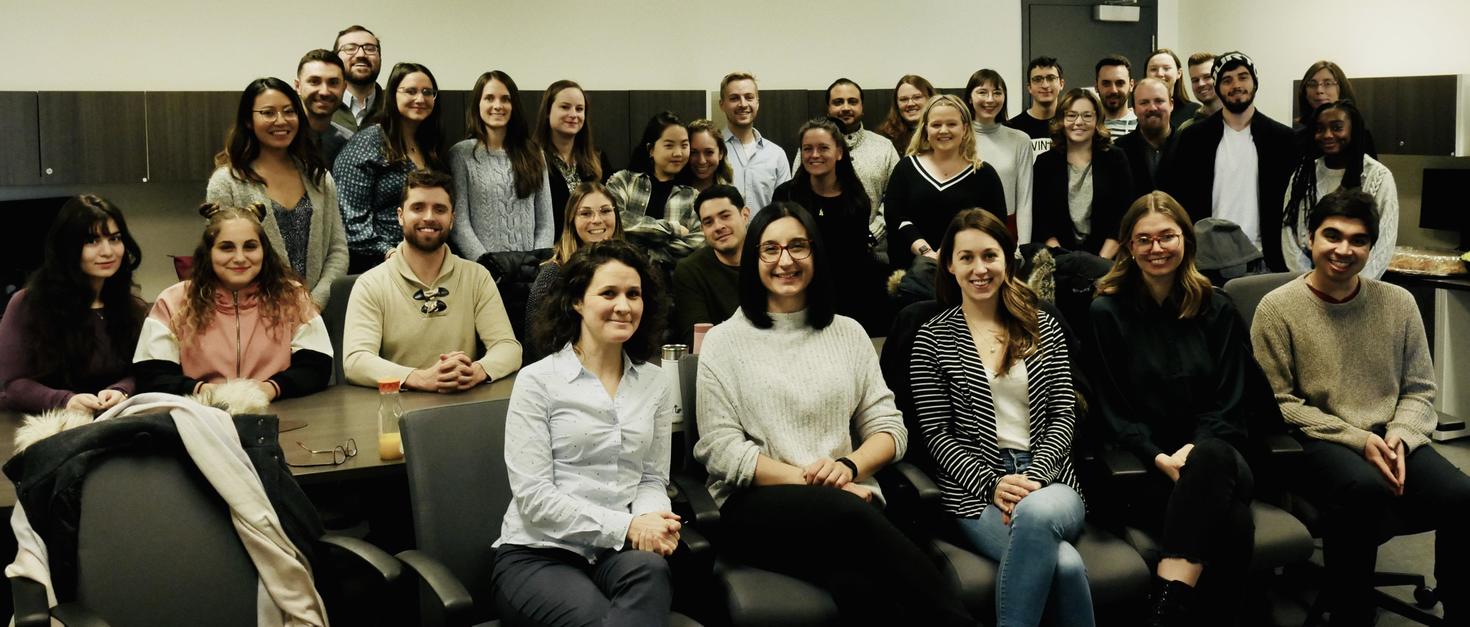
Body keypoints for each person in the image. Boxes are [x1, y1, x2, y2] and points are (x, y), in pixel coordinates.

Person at [693, 202, 975, 626]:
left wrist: (848, 466)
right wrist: (822, 487)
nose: (784, 260)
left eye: (797, 247)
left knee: (860, 584)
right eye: (770, 249)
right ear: (754, 260)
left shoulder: (848, 332)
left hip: (848, 503)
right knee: (852, 523)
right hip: (756, 508)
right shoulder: (723, 341)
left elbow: (889, 429)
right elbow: (722, 451)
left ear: (815, 255)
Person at [1252, 189, 1470, 627]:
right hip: (1316, 437)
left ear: (1371, 247)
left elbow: (1420, 388)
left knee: (1462, 496)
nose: (1344, 249)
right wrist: (1359, 439)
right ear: (1309, 239)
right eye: (1332, 235)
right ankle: (1351, 612)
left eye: (1358, 240)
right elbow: (1279, 403)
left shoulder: (1398, 302)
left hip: (1392, 435)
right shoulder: (1276, 309)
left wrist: (1401, 436)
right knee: (1362, 491)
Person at [1088, 192, 1272, 626]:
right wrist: (1156, 454)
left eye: (1167, 236)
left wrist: (1194, 449)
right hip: (1144, 465)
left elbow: (1231, 401)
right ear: (1129, 247)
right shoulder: (1106, 313)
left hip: (1220, 453)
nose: (1156, 248)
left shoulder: (1218, 307)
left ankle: (1165, 610)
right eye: (1144, 239)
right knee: (1232, 525)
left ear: (1186, 241)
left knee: (1210, 459)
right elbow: (1110, 408)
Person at [911, 208, 1091, 627]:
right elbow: (937, 434)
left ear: (1007, 261)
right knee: (1063, 566)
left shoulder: (1042, 325)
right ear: (949, 264)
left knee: (1036, 513)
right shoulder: (931, 338)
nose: (980, 268)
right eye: (967, 257)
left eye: (990, 256)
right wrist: (994, 484)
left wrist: (1034, 478)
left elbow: (1065, 413)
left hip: (1052, 481)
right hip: (974, 493)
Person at [494, 239, 680, 627]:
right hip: (540, 552)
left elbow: (650, 478)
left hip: (616, 553)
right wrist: (629, 526)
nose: (624, 306)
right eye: (608, 293)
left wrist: (652, 523)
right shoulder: (538, 381)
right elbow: (534, 499)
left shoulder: (655, 383)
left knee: (652, 571)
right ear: (578, 301)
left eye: (634, 294)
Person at [341, 170, 521, 390]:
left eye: (440, 209)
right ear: (400, 216)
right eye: (418, 208)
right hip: (399, 410)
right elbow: (356, 361)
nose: (429, 217)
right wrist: (420, 378)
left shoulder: (477, 277)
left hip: (463, 403)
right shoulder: (371, 283)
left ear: (452, 219)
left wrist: (475, 371)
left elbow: (509, 348)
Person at [135, 204, 332, 400]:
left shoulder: (292, 296)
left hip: (282, 413)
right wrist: (210, 393)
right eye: (226, 247)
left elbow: (317, 366)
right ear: (209, 252)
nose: (240, 258)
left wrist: (268, 389)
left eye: (250, 246)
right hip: (201, 416)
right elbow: (152, 375)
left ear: (264, 251)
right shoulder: (172, 302)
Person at [207, 77, 348, 310]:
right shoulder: (226, 183)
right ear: (249, 120)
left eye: (289, 111)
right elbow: (225, 256)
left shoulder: (319, 178)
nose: (281, 121)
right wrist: (280, 306)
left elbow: (337, 250)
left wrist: (315, 304)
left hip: (316, 314)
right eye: (268, 113)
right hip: (253, 312)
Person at [0, 195, 146, 414]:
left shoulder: (132, 306)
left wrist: (122, 390)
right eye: (92, 241)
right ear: (66, 247)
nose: (107, 251)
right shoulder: (28, 303)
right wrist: (65, 401)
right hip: (42, 424)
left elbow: (144, 370)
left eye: (115, 239)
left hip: (113, 420)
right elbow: (12, 384)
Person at [1165, 52, 1297, 271]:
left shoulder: (1283, 139)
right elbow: (1178, 200)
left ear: (1254, 82)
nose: (1236, 85)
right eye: (1227, 80)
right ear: (1217, 88)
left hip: (1265, 259)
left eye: (1243, 77)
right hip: (1206, 259)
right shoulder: (1193, 139)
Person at [773, 117, 889, 335]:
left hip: (848, 299)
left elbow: (855, 262)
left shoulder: (856, 200)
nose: (814, 155)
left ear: (839, 152)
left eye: (823, 148)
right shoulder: (786, 195)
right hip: (797, 296)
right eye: (807, 149)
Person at [334, 62, 446, 274]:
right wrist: (388, 252)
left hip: (428, 261)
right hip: (379, 266)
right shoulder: (368, 142)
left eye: (427, 92)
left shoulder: (431, 146)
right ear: (393, 95)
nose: (420, 99)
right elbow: (350, 218)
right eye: (410, 91)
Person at [884, 94, 1007, 272]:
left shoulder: (984, 174)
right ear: (926, 129)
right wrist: (926, 252)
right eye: (936, 125)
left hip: (968, 272)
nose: (943, 130)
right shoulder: (906, 168)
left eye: (951, 124)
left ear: (965, 128)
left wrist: (952, 251)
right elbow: (895, 217)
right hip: (913, 272)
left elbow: (995, 225)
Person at [1282, 100, 1397, 279]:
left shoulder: (1378, 177)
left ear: (1353, 130)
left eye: (1337, 127)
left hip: (1358, 285)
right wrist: (1308, 283)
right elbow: (1288, 234)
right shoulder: (1303, 175)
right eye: (1320, 129)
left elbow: (1384, 242)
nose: (1327, 135)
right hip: (1307, 284)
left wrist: (1353, 288)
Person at [449, 70, 554, 261]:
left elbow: (545, 222)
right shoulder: (461, 154)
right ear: (477, 104)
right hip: (483, 270)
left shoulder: (534, 153)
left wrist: (537, 262)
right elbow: (460, 223)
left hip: (529, 271)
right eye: (489, 98)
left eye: (505, 99)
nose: (498, 105)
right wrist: (487, 263)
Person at [525, 182, 625, 362]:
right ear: (572, 220)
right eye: (586, 213)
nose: (597, 220)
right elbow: (536, 345)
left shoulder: (630, 270)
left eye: (605, 211)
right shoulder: (552, 275)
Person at [1033, 89, 1131, 259]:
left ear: (1097, 120)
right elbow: (1041, 219)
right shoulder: (1045, 163)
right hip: (1059, 260)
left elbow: (1123, 215)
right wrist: (1063, 258)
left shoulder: (1115, 159)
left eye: (1087, 115)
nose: (1079, 122)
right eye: (1071, 115)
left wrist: (1100, 262)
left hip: (1107, 260)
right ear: (1061, 120)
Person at [818, 78, 900, 252]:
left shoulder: (884, 147)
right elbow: (798, 194)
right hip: (821, 251)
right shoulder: (813, 147)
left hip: (874, 252)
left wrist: (871, 235)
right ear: (828, 109)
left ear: (862, 108)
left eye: (853, 102)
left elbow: (895, 199)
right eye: (838, 102)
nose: (846, 108)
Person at [534, 80, 615, 242]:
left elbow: (610, 211)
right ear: (548, 111)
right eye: (565, 107)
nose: (573, 115)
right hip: (552, 252)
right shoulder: (532, 159)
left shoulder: (598, 158)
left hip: (594, 250)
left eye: (579, 109)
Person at [966, 68, 1036, 241]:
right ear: (969, 97)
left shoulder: (1020, 140)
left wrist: (1023, 248)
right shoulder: (958, 137)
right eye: (982, 92)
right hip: (965, 229)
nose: (990, 99)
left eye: (997, 93)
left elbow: (1024, 201)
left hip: (1006, 228)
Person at [671, 185, 747, 343]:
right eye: (708, 222)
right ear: (702, 229)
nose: (718, 226)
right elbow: (697, 340)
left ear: (744, 215)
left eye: (725, 216)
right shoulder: (690, 270)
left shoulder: (770, 258)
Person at [606, 112, 698, 236]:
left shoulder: (692, 197)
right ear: (651, 149)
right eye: (669, 145)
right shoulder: (623, 181)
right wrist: (672, 229)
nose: (678, 153)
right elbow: (615, 220)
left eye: (684, 145)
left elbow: (697, 241)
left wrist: (651, 252)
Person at [719, 72, 789, 212]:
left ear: (757, 102)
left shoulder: (776, 155)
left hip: (768, 234)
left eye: (749, 97)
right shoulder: (712, 151)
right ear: (722, 105)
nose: (743, 104)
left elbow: (785, 208)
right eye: (734, 98)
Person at [1293, 61, 1377, 157]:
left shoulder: (1359, 133)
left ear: (1341, 88)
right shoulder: (1297, 136)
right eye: (1312, 84)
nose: (1319, 90)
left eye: (1327, 83)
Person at [1114, 78, 1178, 199]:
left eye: (1159, 101)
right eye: (1144, 103)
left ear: (1171, 105)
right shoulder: (1118, 150)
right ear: (1133, 109)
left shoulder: (1189, 146)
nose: (1152, 108)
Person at [294, 49, 353, 166]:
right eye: (314, 82)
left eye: (333, 82)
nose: (324, 92)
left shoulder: (349, 143)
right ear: (298, 86)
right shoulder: (280, 136)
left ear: (344, 87)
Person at [1007, 57, 1066, 154]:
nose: (1045, 85)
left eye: (1051, 78)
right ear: (1029, 87)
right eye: (1037, 79)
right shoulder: (1012, 128)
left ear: (1061, 84)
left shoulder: (1071, 125)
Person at [332, 25, 383, 132]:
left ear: (380, 58)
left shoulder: (395, 106)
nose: (361, 54)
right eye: (350, 48)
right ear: (335, 59)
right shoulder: (321, 105)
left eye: (370, 49)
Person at [877, 74, 937, 154]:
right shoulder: (884, 139)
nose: (910, 104)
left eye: (917, 97)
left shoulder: (943, 132)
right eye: (904, 99)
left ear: (931, 99)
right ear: (896, 104)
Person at [1144, 49, 1201, 129]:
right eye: (1153, 69)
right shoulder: (1140, 111)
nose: (1160, 74)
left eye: (1166, 68)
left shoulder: (1194, 112)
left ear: (1179, 73)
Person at [1095, 55, 1137, 139]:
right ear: (1096, 86)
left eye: (1120, 83)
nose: (1113, 90)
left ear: (1131, 85)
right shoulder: (1085, 126)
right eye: (1106, 83)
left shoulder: (1142, 124)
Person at [686, 118, 732, 193]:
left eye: (709, 152)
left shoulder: (731, 195)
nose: (701, 161)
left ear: (720, 153)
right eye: (693, 152)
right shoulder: (672, 193)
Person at [1185, 52, 1220, 122]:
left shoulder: (1242, 120)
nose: (1201, 84)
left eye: (1207, 77)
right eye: (1195, 80)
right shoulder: (1186, 129)